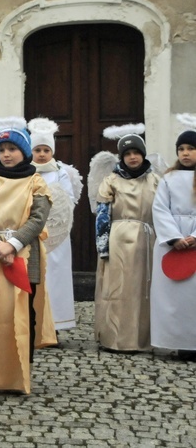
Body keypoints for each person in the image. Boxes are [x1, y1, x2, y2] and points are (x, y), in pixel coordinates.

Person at [0, 116, 56, 394]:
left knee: (23, 311)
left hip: (25, 253)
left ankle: (20, 371)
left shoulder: (36, 182)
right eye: (2, 150)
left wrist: (15, 243)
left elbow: (38, 217)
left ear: (24, 152)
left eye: (12, 149)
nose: (6, 155)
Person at [93, 124, 159, 352]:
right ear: (121, 157)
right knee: (116, 289)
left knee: (142, 289)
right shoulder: (111, 181)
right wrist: (103, 246)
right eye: (127, 154)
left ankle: (141, 338)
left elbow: (161, 212)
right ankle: (114, 337)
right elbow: (102, 215)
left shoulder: (155, 181)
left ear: (142, 154)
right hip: (117, 239)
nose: (132, 157)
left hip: (146, 240)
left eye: (136, 152)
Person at [28, 117, 81, 335]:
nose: (41, 154)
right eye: (37, 149)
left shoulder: (61, 172)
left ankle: (55, 325)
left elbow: (67, 200)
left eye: (46, 150)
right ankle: (35, 323)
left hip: (56, 235)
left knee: (55, 278)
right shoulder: (26, 172)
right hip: (32, 232)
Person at [151, 116, 196, 361]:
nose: (185, 153)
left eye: (190, 148)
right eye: (181, 149)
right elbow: (159, 209)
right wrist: (174, 237)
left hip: (194, 241)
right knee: (175, 297)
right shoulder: (167, 179)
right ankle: (177, 341)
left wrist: (193, 237)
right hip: (173, 243)